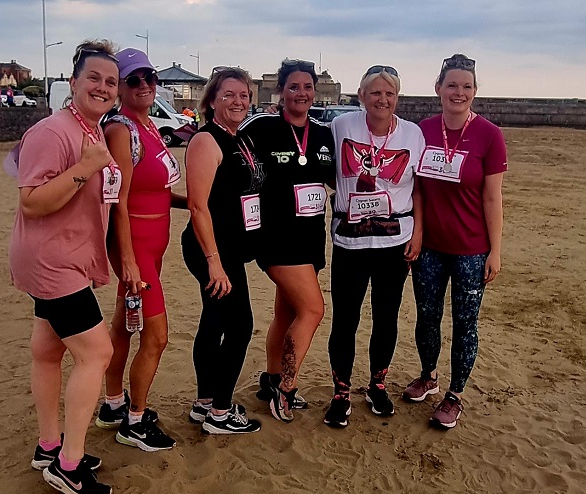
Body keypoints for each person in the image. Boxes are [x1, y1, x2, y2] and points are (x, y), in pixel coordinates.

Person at [9, 39, 120, 494]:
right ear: (72, 83)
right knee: (96, 353)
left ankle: (49, 445)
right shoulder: (54, 132)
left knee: (47, 349)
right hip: (53, 260)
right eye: (93, 78)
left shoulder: (91, 129)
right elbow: (31, 201)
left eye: (110, 82)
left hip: (63, 255)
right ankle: (68, 466)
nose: (102, 87)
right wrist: (84, 168)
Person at [405, 54, 506, 429]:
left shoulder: (490, 136)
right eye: (452, 85)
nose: (458, 92)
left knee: (466, 323)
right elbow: (414, 187)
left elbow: (492, 197)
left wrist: (495, 251)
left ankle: (455, 394)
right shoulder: (423, 131)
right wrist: (416, 233)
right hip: (429, 248)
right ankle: (428, 376)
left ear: (475, 92)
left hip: (471, 250)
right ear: (438, 89)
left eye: (466, 86)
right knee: (427, 318)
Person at [324, 65, 425, 428]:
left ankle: (377, 384)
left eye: (390, 94)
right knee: (345, 318)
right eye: (376, 93)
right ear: (362, 95)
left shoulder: (412, 135)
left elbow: (419, 188)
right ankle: (340, 390)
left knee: (386, 317)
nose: (383, 100)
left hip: (394, 240)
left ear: (397, 98)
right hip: (349, 241)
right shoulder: (340, 128)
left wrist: (418, 233)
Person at [96, 48, 185, 452]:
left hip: (152, 245)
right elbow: (119, 200)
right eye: (134, 79)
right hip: (136, 249)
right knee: (157, 336)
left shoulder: (147, 125)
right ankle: (135, 421)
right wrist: (129, 261)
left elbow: (159, 190)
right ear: (120, 87)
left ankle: (114, 403)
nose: (145, 85)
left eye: (149, 76)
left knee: (123, 325)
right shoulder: (121, 129)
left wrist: (198, 203)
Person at [240, 59, 335, 422]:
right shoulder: (262, 126)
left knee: (288, 312)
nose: (301, 93)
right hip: (275, 239)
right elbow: (229, 158)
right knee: (313, 310)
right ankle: (287, 388)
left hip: (310, 238)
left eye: (307, 87)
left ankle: (271, 378)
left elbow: (336, 180)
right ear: (281, 91)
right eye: (293, 87)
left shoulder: (323, 134)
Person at [182, 67, 265, 434]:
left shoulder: (239, 138)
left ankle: (204, 403)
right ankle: (220, 411)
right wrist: (214, 264)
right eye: (228, 94)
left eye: (244, 95)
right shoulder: (206, 140)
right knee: (240, 324)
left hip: (230, 248)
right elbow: (198, 206)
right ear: (212, 100)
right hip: (212, 250)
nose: (238, 101)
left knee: (214, 321)